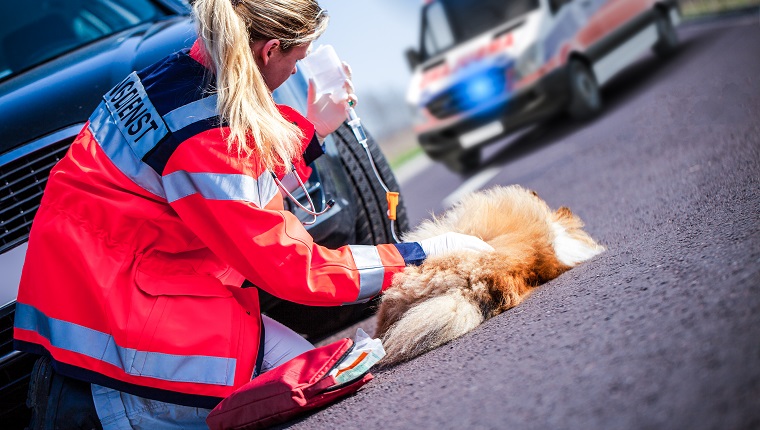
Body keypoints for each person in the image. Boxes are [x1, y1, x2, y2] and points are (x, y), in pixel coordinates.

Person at [13, 0, 493, 428]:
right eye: (297, 59)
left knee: (318, 367)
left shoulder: (165, 80)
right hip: (116, 343)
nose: (294, 70)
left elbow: (220, 192)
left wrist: (313, 133)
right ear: (270, 50)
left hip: (90, 301)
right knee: (326, 380)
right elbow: (292, 266)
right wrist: (418, 255)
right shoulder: (209, 132)